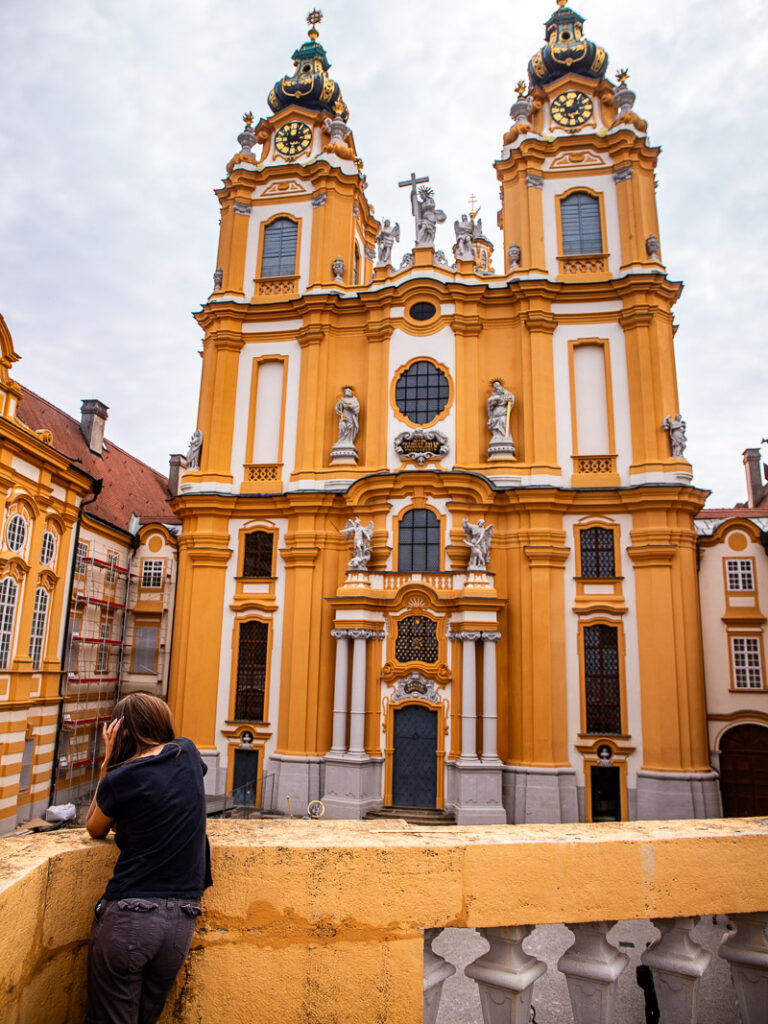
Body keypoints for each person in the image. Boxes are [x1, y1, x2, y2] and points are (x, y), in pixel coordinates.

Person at [85, 692, 212, 1024]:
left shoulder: (121, 778)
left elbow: (95, 827)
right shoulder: (188, 754)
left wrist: (108, 762)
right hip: (181, 920)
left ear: (121, 732)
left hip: (131, 916)